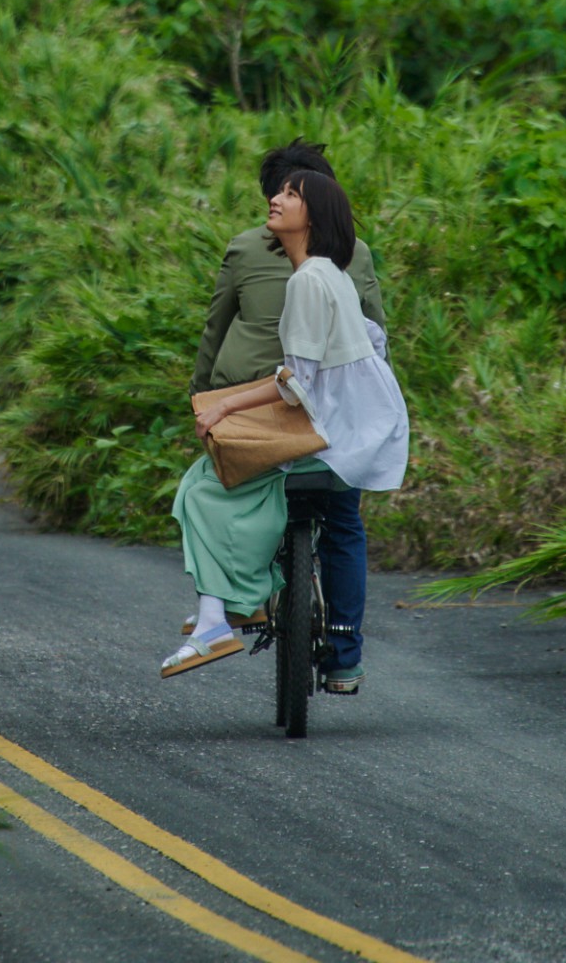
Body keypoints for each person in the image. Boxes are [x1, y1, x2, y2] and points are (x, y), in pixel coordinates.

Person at [161, 168, 409, 685]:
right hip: (355, 428)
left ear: (312, 217)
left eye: (290, 195)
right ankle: (236, 612)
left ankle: (218, 619)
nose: (275, 199)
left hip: (327, 435)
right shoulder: (332, 273)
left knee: (203, 487)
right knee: (319, 518)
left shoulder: (307, 282)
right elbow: (370, 341)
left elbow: (297, 382)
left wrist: (223, 408)